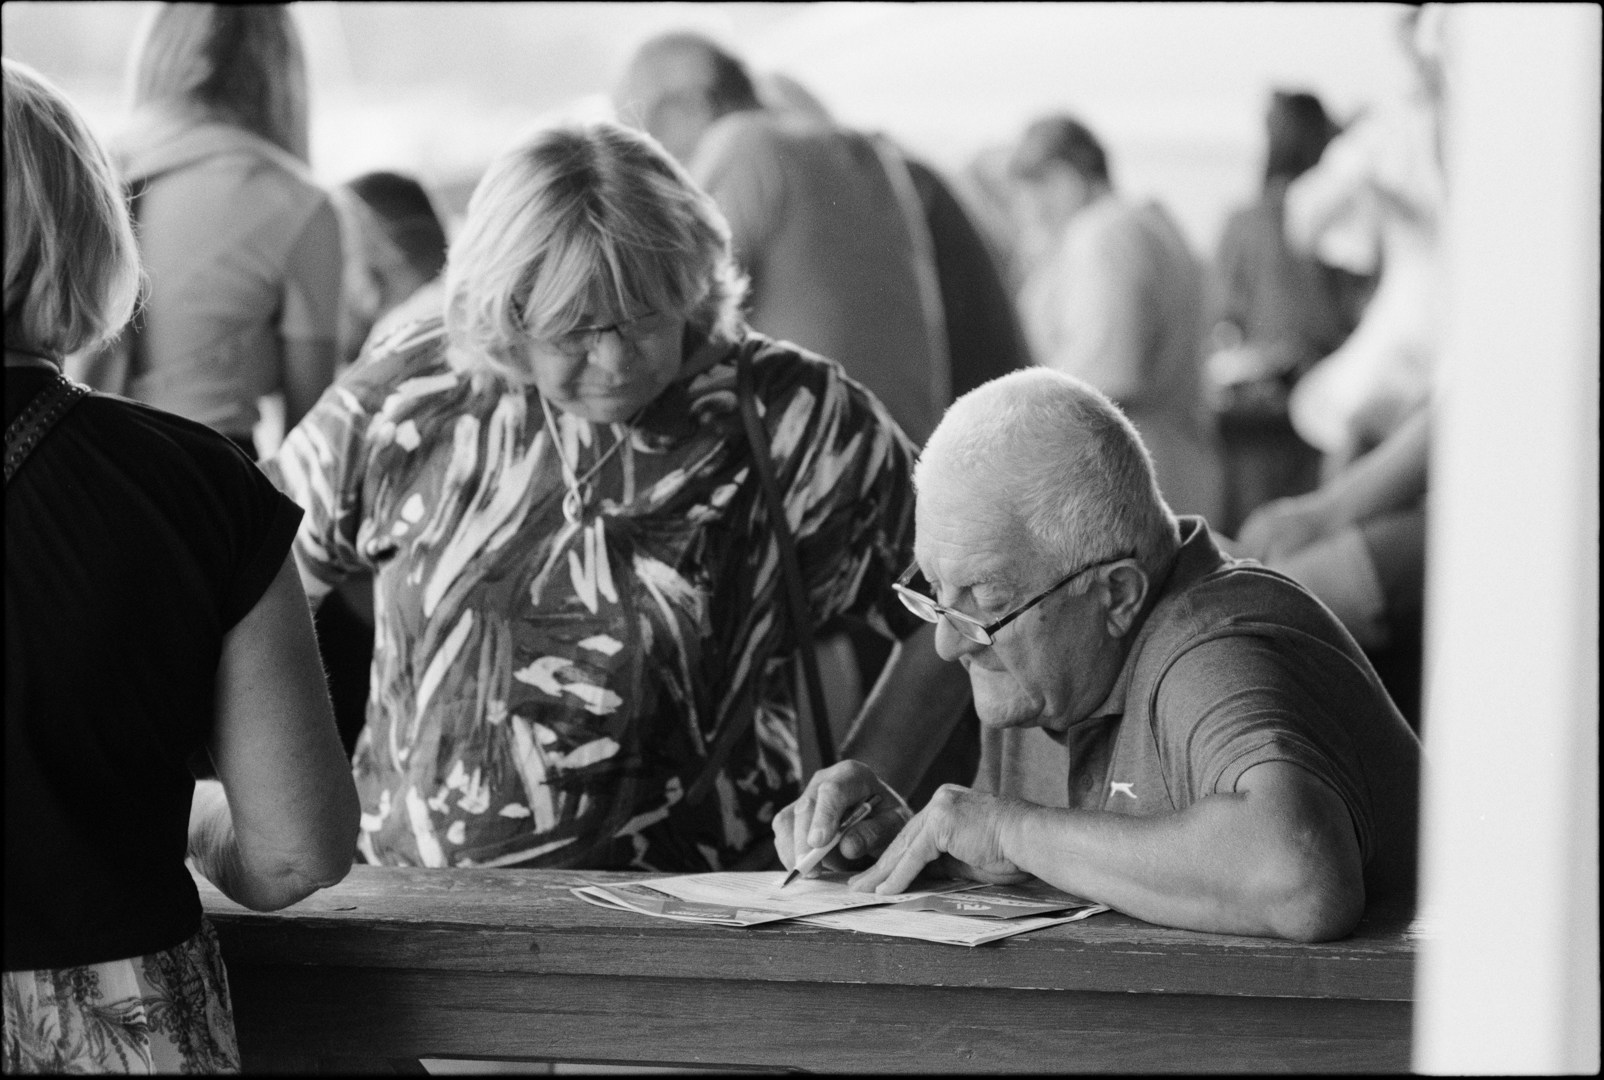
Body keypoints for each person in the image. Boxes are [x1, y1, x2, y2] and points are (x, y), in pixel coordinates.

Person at [265, 121, 971, 873]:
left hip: (704, 908)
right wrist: (284, 802)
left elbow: (956, 605)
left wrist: (864, 780)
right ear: (507, 312)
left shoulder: (789, 413)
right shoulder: (410, 394)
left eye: (643, 319)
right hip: (412, 905)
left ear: (690, 286)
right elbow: (252, 578)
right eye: (573, 330)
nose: (612, 361)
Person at [774, 368, 1420, 942]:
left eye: (985, 600)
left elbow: (1300, 881)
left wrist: (1009, 830)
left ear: (1116, 595)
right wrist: (916, 849)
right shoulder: (1050, 650)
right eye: (937, 593)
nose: (949, 642)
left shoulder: (1212, 647)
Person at [3, 59, 358, 1073]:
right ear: (83, 232)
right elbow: (296, 852)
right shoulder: (196, 484)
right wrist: (199, 820)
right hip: (116, 1026)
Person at [615, 33, 945, 446]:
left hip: (825, 459)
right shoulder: (856, 149)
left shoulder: (744, 143)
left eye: (636, 125)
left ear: (689, 108)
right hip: (903, 449)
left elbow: (668, 307)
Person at [65, 2, 343, 459]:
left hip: (81, 465)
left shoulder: (87, 168)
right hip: (215, 472)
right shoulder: (300, 205)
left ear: (154, 55)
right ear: (282, 70)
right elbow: (308, 438)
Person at [1011, 115, 1225, 526]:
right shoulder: (1155, 223)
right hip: (1179, 465)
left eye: (1029, 197)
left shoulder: (1102, 233)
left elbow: (1105, 374)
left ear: (1062, 180)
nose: (1026, 214)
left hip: (1124, 481)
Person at [1281, 6, 1446, 474]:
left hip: (1461, 327)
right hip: (1412, 323)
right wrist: (1368, 190)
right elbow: (1306, 216)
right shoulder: (1390, 132)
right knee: (1358, 422)